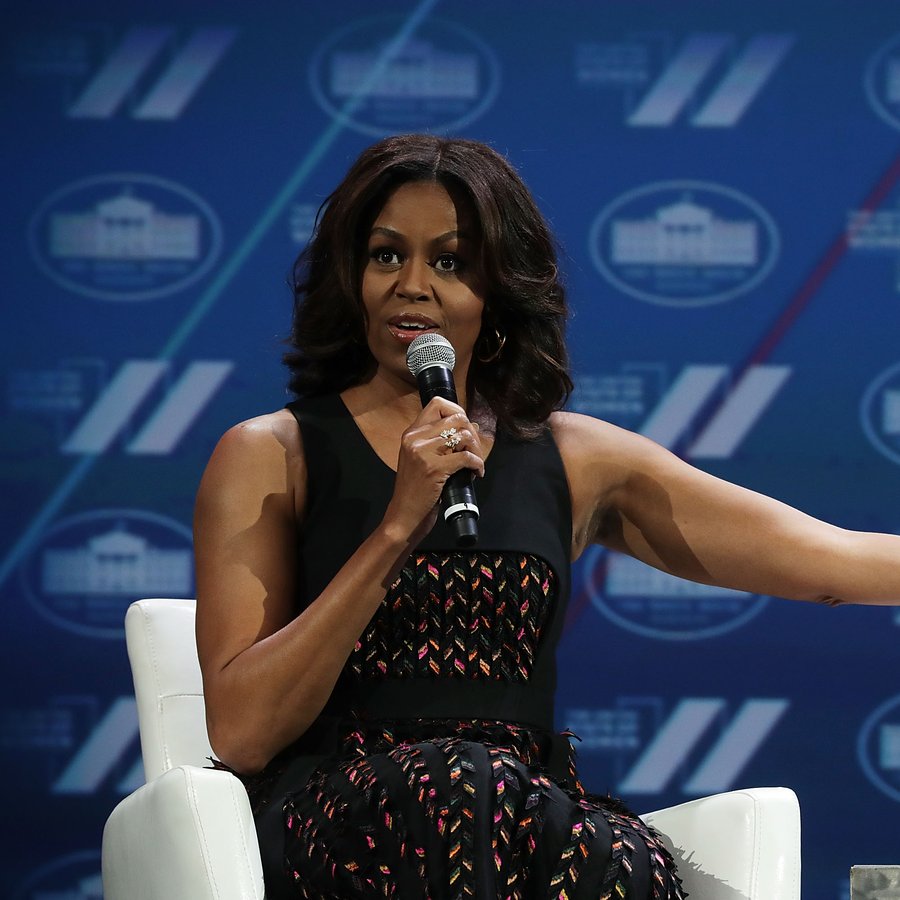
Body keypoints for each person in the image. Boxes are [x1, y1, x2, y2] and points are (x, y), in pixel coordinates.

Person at [193, 133, 900, 899]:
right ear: (351, 276)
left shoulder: (573, 458)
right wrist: (397, 528)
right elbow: (241, 733)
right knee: (457, 783)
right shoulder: (274, 452)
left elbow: (830, 560)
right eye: (387, 255)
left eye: (451, 262)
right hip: (338, 809)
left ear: (497, 292)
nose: (414, 286)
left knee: (610, 857)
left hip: (521, 807)